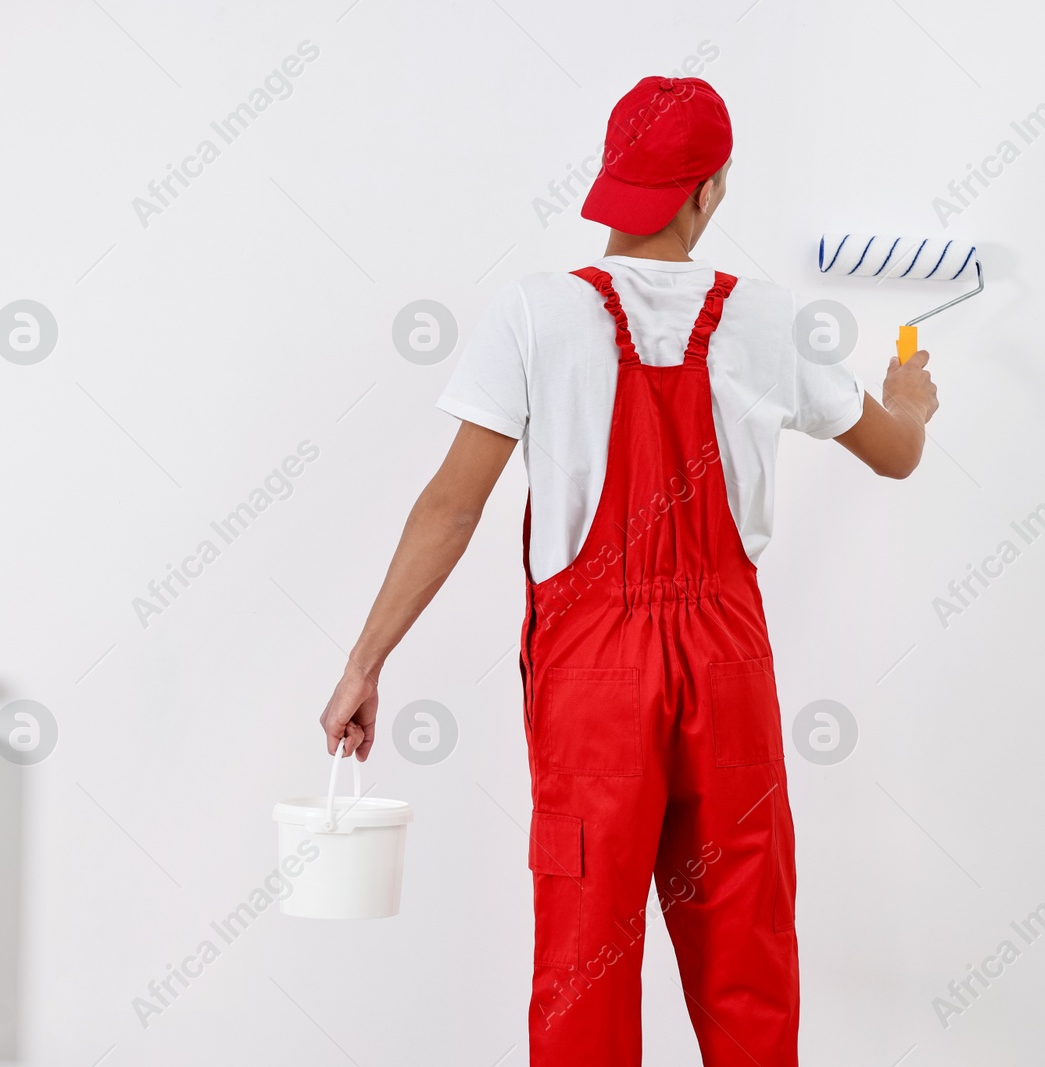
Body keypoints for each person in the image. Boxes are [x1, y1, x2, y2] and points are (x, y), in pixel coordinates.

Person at [320, 74, 938, 1067]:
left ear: (615, 182)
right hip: (725, 667)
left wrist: (365, 660)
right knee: (746, 959)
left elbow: (452, 504)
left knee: (583, 969)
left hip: (594, 676)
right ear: (706, 196)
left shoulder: (534, 314)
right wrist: (908, 394)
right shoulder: (765, 318)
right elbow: (896, 451)